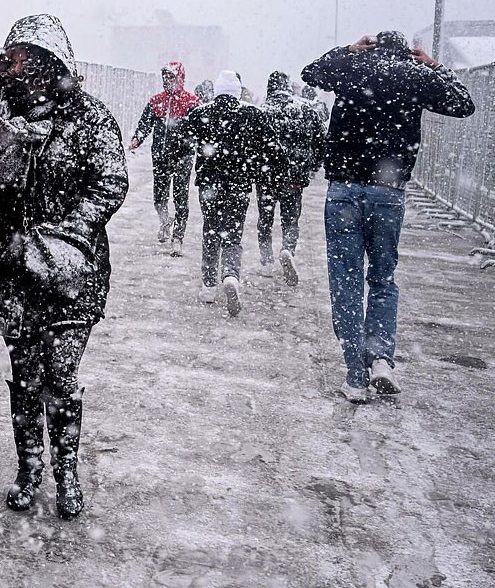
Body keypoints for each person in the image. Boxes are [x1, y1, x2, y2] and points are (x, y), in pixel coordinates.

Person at [0, 14, 127, 520]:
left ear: (46, 60)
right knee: (24, 376)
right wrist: (6, 147)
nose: (10, 68)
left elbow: (111, 182)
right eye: (8, 59)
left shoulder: (90, 117)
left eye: (19, 58)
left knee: (60, 373)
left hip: (70, 272)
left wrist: (67, 235)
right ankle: (29, 468)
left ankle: (67, 472)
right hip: (14, 271)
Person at [302, 31, 475, 403]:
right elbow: (464, 104)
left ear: (371, 47)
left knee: (345, 280)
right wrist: (433, 65)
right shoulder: (414, 76)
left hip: (344, 190)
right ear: (406, 54)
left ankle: (354, 377)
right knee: (382, 278)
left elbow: (311, 73)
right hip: (388, 191)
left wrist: (348, 50)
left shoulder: (351, 69)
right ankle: (380, 357)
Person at [183, 70, 274, 317]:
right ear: (237, 91)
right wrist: (257, 170)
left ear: (218, 91)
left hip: (209, 186)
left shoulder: (200, 113)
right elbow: (271, 149)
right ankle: (231, 275)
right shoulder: (254, 115)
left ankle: (209, 285)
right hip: (239, 184)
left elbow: (183, 141)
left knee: (210, 230)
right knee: (233, 233)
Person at [255, 71, 326, 285]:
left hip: (266, 176)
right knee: (291, 220)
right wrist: (312, 167)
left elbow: (251, 144)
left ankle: (266, 262)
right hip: (294, 176)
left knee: (265, 219)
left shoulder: (262, 111)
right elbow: (321, 142)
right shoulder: (306, 110)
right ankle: (288, 249)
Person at [128, 62, 199, 256]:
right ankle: (165, 220)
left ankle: (178, 237)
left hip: (183, 156)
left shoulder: (191, 103)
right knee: (159, 197)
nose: (167, 81)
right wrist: (137, 139)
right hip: (160, 156)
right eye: (165, 77)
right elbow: (145, 124)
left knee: (180, 197)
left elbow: (200, 130)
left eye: (171, 77)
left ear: (180, 78)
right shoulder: (156, 101)